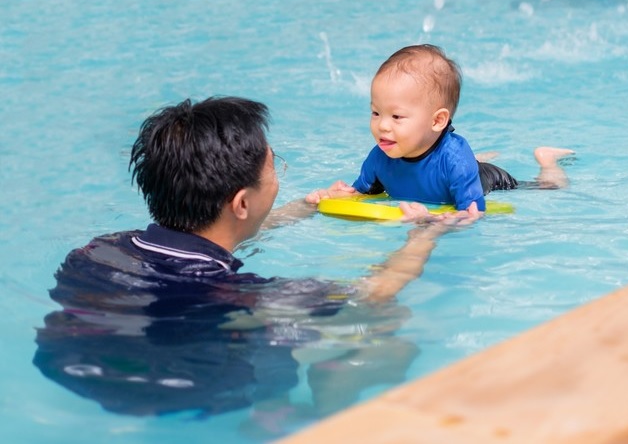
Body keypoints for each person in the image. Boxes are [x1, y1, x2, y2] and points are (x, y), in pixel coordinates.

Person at [34, 96, 470, 421]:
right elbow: (376, 292)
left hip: (73, 369)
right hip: (194, 394)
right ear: (242, 203)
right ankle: (290, 415)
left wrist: (304, 207)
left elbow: (203, 246)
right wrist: (423, 236)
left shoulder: (98, 251)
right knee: (388, 327)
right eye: (273, 166)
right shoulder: (252, 298)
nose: (277, 177)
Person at [305, 44, 574, 219]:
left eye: (396, 116)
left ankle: (547, 160)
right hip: (449, 164)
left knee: (548, 188)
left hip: (488, 179)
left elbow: (473, 212)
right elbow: (363, 194)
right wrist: (331, 194)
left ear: (437, 121)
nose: (382, 125)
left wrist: (435, 220)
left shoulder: (455, 160)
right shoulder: (380, 156)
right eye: (376, 113)